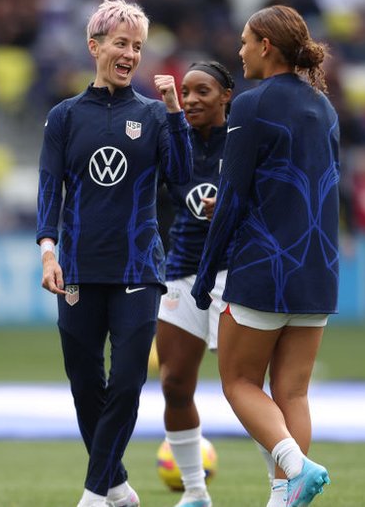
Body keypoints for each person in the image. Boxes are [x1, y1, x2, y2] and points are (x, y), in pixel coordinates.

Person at [36, 0, 193, 507]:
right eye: (121, 43)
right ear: (95, 46)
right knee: (86, 383)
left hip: (138, 268)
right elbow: (48, 190)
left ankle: (92, 495)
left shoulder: (152, 114)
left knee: (126, 381)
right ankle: (120, 486)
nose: (129, 54)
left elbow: (183, 178)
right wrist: (47, 251)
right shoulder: (64, 117)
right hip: (78, 267)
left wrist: (175, 114)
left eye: (137, 46)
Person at [191, 4, 338, 507]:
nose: (240, 51)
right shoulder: (325, 107)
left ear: (266, 47)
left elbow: (231, 197)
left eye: (245, 41)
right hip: (319, 270)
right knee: (292, 394)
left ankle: (297, 469)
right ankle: (283, 498)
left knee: (238, 381)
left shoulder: (251, 105)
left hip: (264, 267)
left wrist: (204, 274)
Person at [156, 60, 234, 507]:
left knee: (243, 389)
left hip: (233, 273)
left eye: (202, 91)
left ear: (226, 95)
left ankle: (281, 487)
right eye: (185, 92)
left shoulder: (245, 140)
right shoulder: (173, 141)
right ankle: (195, 492)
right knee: (174, 384)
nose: (190, 100)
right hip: (181, 271)